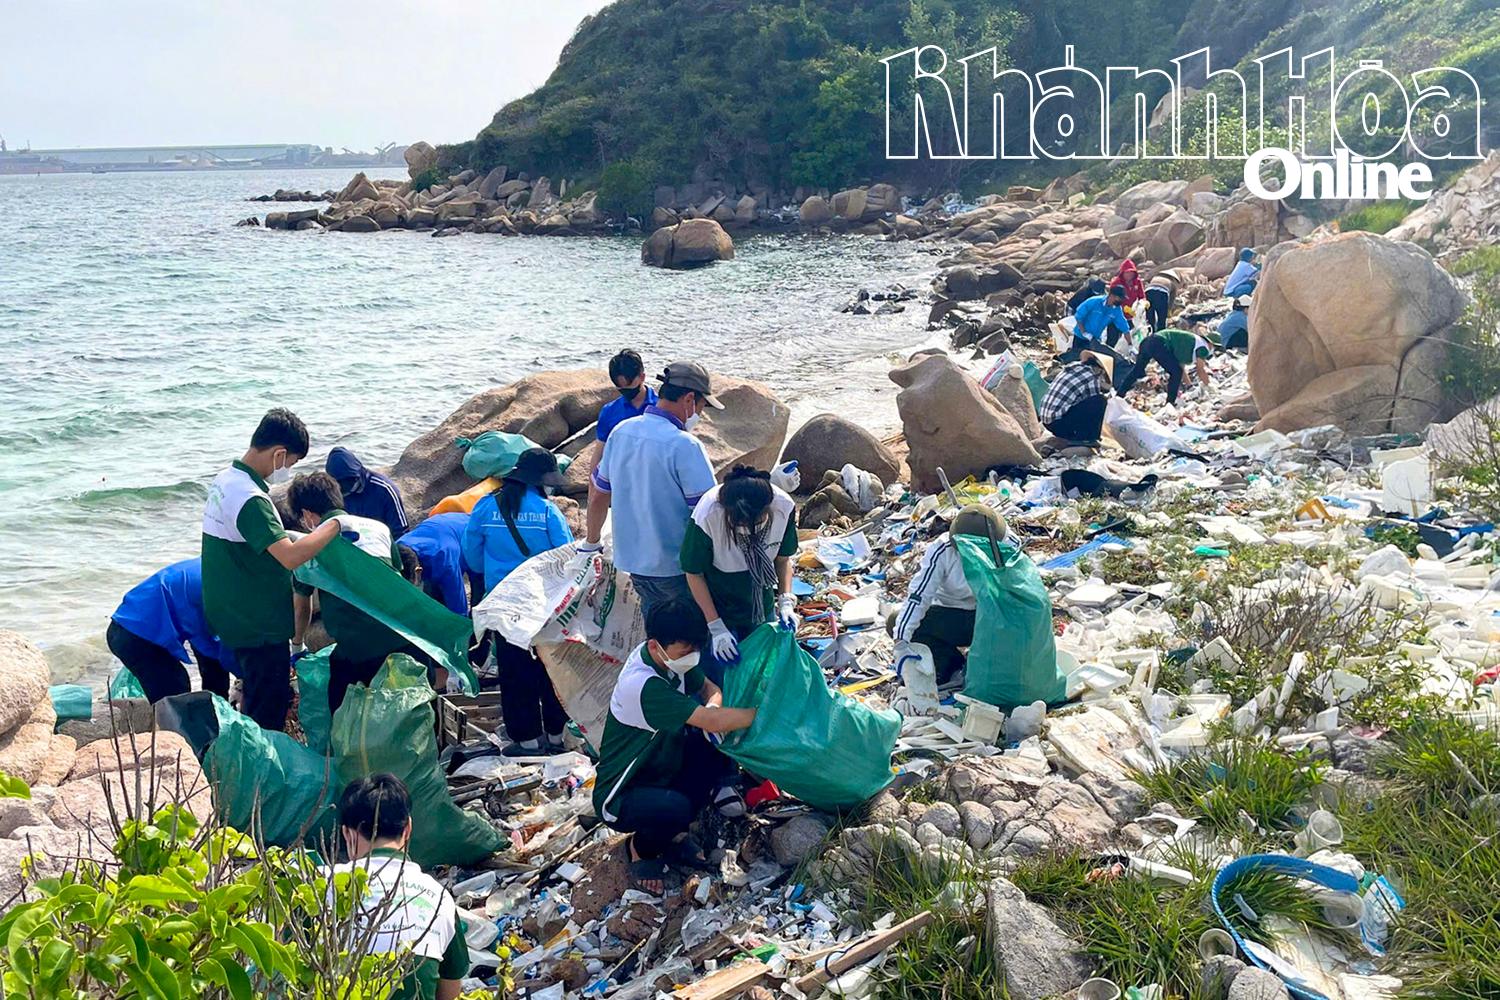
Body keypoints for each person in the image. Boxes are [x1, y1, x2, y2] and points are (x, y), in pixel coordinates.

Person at [592, 599, 755, 893]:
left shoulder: (670, 659)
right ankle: (641, 850)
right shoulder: (643, 685)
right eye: (685, 652)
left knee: (710, 749)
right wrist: (760, 715)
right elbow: (713, 721)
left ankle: (675, 836)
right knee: (675, 808)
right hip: (622, 793)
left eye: (695, 650)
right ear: (655, 646)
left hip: (661, 762)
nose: (691, 658)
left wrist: (713, 709)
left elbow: (709, 688)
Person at [202, 408, 342, 731]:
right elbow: (290, 557)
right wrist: (334, 525)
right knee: (268, 714)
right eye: (290, 462)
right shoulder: (250, 498)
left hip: (235, 618)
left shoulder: (225, 481)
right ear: (279, 454)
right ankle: (263, 776)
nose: (288, 471)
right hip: (259, 627)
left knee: (255, 699)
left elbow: (248, 541)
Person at [584, 362, 721, 619]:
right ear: (690, 400)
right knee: (688, 639)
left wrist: (591, 543)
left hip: (633, 564)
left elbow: (599, 492)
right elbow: (708, 513)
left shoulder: (621, 432)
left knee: (659, 632)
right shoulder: (685, 446)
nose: (699, 414)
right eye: (702, 407)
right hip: (675, 568)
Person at [287, 472, 432, 715]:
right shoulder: (379, 528)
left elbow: (302, 608)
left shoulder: (309, 548)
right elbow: (395, 576)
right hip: (409, 636)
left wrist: (297, 647)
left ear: (308, 515)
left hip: (359, 650)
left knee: (341, 709)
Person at [463, 448, 573, 756]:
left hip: (504, 605)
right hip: (544, 605)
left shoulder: (484, 507)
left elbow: (472, 556)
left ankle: (526, 740)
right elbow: (566, 559)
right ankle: (555, 735)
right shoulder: (548, 512)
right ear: (540, 482)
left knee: (514, 671)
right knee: (550, 668)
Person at [331, 775, 469, 1000]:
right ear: (408, 828)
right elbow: (449, 992)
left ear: (347, 833)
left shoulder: (320, 885)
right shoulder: (439, 898)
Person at [680, 467, 799, 680]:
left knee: (760, 669)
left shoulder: (783, 507)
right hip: (714, 598)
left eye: (756, 522)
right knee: (718, 673)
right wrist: (716, 627)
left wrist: (785, 600)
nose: (748, 529)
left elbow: (783, 560)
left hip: (758, 598)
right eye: (741, 523)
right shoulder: (708, 514)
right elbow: (693, 573)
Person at [892, 506, 1009, 684]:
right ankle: (950, 661)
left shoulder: (1006, 545)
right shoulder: (943, 550)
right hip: (952, 616)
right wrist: (901, 642)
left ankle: (988, 662)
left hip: (991, 618)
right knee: (896, 621)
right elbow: (919, 595)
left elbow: (1022, 590)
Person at [106, 558, 230, 703]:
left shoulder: (214, 566)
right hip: (136, 636)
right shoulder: (217, 587)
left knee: (197, 680)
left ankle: (211, 716)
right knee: (175, 692)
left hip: (125, 627)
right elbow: (209, 649)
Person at [396, 512, 472, 615]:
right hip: (440, 527)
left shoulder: (445, 563)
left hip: (470, 533)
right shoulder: (397, 549)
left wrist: (463, 625)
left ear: (419, 570)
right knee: (433, 601)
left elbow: (458, 604)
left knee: (479, 588)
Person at [325, 447, 410, 539]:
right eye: (338, 484)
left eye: (348, 481)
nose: (344, 487)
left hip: (380, 543)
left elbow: (401, 530)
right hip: (348, 545)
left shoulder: (384, 490)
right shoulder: (330, 492)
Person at [1116, 326, 1215, 405]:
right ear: (1211, 343)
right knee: (1175, 373)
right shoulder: (1204, 347)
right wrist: (1209, 386)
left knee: (1137, 371)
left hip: (1148, 341)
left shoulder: (1190, 343)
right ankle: (1170, 403)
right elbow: (1200, 369)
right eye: (1215, 347)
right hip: (1159, 343)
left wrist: (1189, 386)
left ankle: (1119, 395)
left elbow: (1180, 366)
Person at [1040, 351, 1114, 445]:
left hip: (1047, 421)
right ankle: (1088, 438)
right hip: (1058, 424)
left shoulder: (1071, 368)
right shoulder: (1091, 376)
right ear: (1100, 370)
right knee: (1100, 401)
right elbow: (1094, 405)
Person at [596, 349, 658, 443]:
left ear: (642, 377)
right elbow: (601, 448)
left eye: (629, 385)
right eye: (620, 388)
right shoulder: (609, 411)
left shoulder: (661, 407)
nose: (626, 391)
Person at [1069, 285, 1132, 357]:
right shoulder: (1094, 302)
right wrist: (1084, 332)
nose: (1121, 301)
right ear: (1111, 295)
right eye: (1119, 298)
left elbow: (1124, 327)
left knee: (1090, 361)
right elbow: (1079, 316)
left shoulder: (1116, 310)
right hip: (1080, 337)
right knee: (1076, 358)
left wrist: (1130, 345)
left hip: (1095, 340)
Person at [1144, 267, 1186, 333]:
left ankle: (1149, 332)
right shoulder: (1172, 283)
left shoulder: (1156, 278)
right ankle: (1161, 333)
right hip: (1162, 293)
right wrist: (1169, 310)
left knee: (1150, 315)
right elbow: (1171, 299)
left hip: (1148, 292)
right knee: (1162, 317)